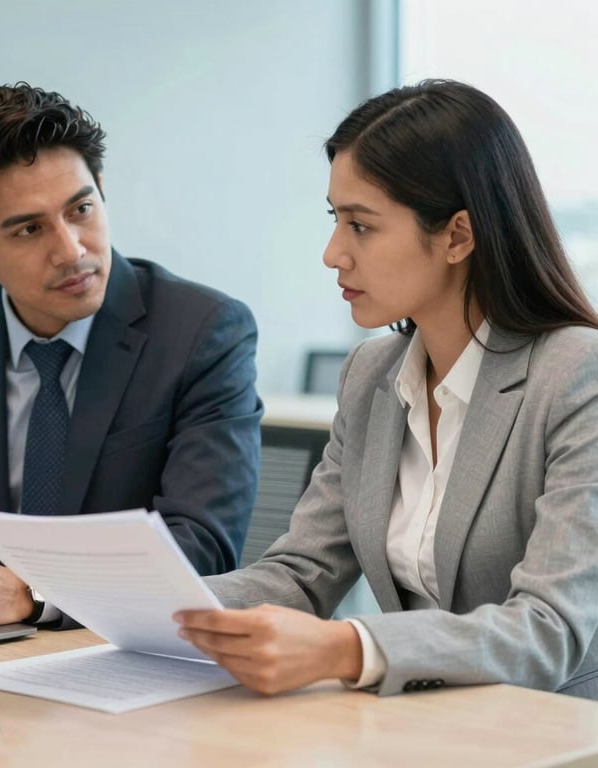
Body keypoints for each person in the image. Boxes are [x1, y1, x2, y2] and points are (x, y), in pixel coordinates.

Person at [175, 79, 598, 700]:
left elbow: (546, 631)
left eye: (361, 226)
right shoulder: (372, 375)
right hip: (415, 728)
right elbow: (303, 572)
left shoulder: (576, 377)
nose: (332, 253)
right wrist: (130, 606)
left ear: (458, 235)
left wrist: (351, 647)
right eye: (335, 220)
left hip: (557, 731)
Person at [0, 83, 262, 628]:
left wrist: (33, 595)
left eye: (81, 209)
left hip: (129, 652)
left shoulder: (202, 331)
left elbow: (203, 546)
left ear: (102, 191)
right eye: (30, 229)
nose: (72, 250)